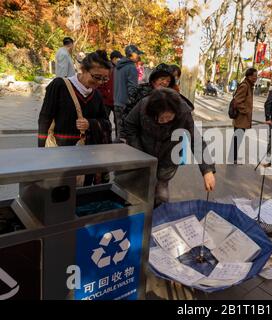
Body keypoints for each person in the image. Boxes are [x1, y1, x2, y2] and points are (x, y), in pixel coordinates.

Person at [122, 88, 216, 207]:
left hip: (168, 157)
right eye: (161, 118)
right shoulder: (143, 106)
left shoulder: (183, 112)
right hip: (144, 152)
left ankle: (160, 217)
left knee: (161, 192)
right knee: (139, 190)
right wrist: (138, 150)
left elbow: (196, 140)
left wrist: (207, 171)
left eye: (169, 118)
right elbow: (129, 125)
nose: (165, 121)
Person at [38, 51, 112, 185]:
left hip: (86, 156)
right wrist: (41, 151)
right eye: (96, 77)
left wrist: (90, 124)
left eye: (104, 79)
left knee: (82, 194)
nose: (100, 82)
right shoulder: (59, 85)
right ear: (83, 69)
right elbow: (45, 118)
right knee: (59, 194)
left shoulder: (97, 96)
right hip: (59, 153)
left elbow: (106, 124)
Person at [113, 45, 143, 142]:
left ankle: (117, 153)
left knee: (119, 131)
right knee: (127, 134)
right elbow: (132, 88)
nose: (139, 56)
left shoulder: (118, 67)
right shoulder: (131, 67)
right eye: (137, 54)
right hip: (126, 104)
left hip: (117, 102)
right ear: (132, 54)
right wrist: (135, 101)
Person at [231, 68, 257, 165]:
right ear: (249, 76)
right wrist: (246, 111)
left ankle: (233, 158)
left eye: (256, 76)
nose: (256, 78)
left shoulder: (249, 86)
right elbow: (237, 101)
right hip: (241, 118)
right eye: (254, 76)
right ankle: (232, 159)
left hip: (243, 118)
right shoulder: (245, 86)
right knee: (237, 139)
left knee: (237, 139)